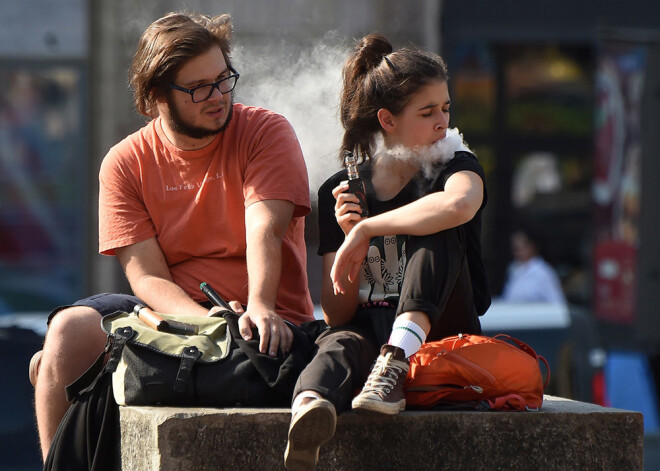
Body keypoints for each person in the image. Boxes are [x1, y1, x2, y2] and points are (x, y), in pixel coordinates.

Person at [31, 11, 314, 460]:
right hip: (175, 316)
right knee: (63, 336)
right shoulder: (124, 162)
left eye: (224, 79)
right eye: (199, 87)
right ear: (156, 97)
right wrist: (206, 323)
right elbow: (147, 278)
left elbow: (265, 227)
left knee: (46, 364)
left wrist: (257, 305)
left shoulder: (265, 131)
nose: (218, 96)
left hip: (264, 319)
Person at [283, 33, 491, 470]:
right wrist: (351, 236)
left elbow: (460, 204)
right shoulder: (343, 191)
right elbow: (338, 312)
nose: (443, 122)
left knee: (438, 222)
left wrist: (369, 231)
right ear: (387, 119)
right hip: (369, 332)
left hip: (441, 331)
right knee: (337, 343)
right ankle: (309, 411)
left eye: (446, 108)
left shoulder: (455, 163)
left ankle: (396, 358)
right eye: (428, 111)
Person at [500, 228, 566, 304]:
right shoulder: (514, 269)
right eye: (514, 249)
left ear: (531, 247)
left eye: (519, 249)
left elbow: (557, 303)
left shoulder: (543, 272)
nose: (516, 253)